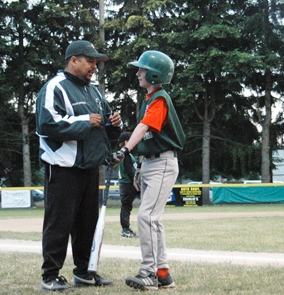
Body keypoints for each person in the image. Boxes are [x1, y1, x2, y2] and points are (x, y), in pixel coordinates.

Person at [35, 40, 122, 292]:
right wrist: (86, 121)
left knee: (87, 224)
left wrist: (113, 124)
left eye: (96, 61)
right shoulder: (54, 87)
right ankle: (50, 275)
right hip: (63, 168)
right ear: (74, 60)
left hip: (90, 168)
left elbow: (103, 129)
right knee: (59, 222)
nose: (95, 66)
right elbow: (46, 124)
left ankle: (84, 272)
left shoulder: (94, 92)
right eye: (90, 60)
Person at [113, 50, 185, 291]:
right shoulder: (151, 99)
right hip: (152, 163)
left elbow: (144, 126)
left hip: (161, 163)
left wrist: (125, 150)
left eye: (142, 69)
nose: (138, 73)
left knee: (147, 217)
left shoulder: (159, 99)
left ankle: (150, 273)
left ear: (154, 74)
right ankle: (162, 273)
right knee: (153, 219)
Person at [117, 131, 139, 238]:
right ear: (126, 142)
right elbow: (130, 171)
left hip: (128, 184)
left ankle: (126, 229)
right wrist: (136, 183)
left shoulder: (126, 154)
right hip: (128, 184)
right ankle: (125, 230)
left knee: (127, 206)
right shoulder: (126, 155)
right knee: (126, 206)